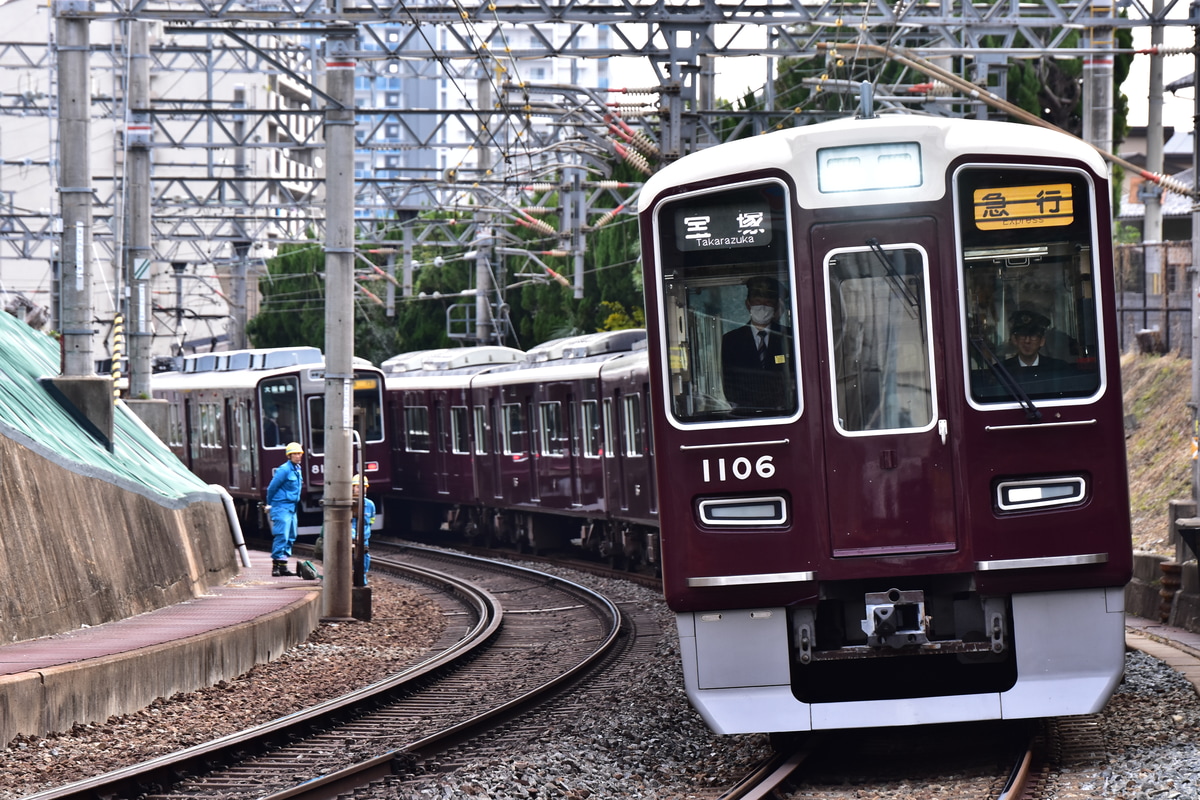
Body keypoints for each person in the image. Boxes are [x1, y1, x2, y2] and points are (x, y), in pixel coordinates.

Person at [721, 276, 794, 412]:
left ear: (776, 307)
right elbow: (729, 382)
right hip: (746, 413)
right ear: (748, 304)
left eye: (768, 303)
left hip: (784, 413)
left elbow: (795, 378)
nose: (763, 307)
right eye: (758, 302)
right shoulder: (731, 340)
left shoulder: (790, 337)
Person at [265, 441, 305, 576]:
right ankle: (275, 566)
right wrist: (270, 503)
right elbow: (272, 487)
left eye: (299, 453)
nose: (298, 456)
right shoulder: (284, 469)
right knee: (282, 535)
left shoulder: (297, 469)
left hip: (292, 507)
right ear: (289, 455)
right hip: (281, 506)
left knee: (291, 536)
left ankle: (283, 566)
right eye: (294, 454)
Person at [1003, 309, 1069, 377]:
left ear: (1042, 341)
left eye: (1033, 335)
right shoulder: (1002, 371)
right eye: (1022, 335)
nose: (1027, 341)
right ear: (1014, 339)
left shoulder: (1058, 369)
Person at [351, 473, 376, 583]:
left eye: (363, 487)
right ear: (353, 488)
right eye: (357, 487)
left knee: (365, 557)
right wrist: (353, 535)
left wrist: (365, 534)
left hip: (364, 537)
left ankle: (362, 577)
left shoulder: (370, 504)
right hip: (352, 537)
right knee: (351, 557)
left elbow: (371, 521)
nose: (360, 489)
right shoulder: (350, 503)